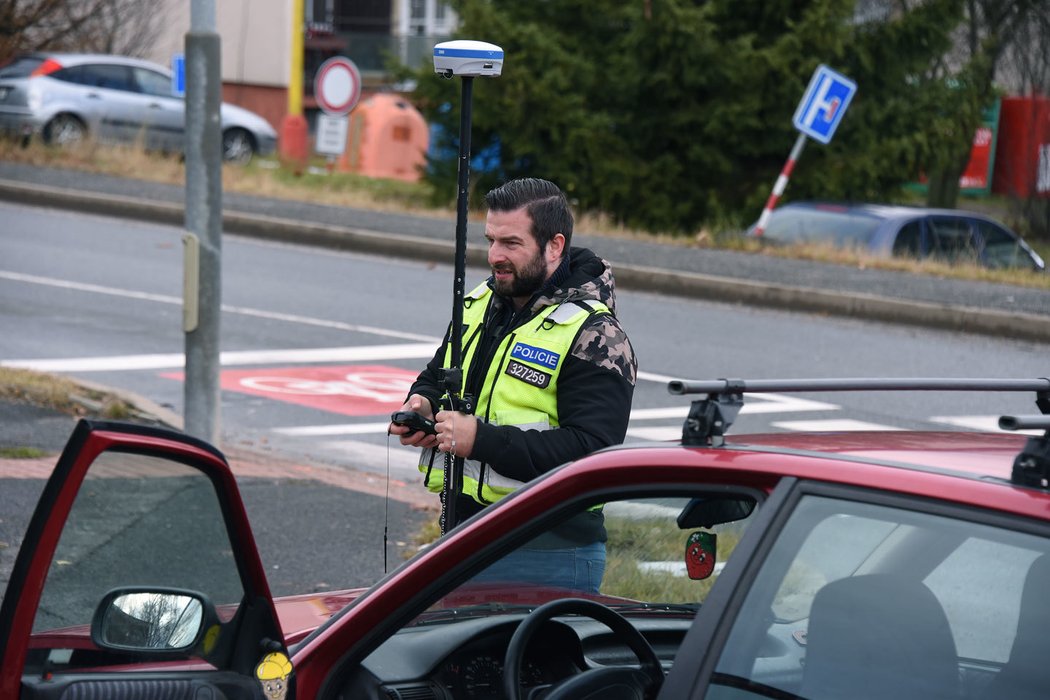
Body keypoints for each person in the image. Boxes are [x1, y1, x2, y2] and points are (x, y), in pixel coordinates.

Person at [389, 177, 636, 593]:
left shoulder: (597, 335)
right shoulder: (482, 302)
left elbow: (593, 454)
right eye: (491, 240)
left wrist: (480, 440)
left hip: (549, 552)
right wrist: (424, 404)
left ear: (554, 246)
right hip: (463, 534)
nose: (494, 256)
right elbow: (439, 372)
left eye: (511, 244)